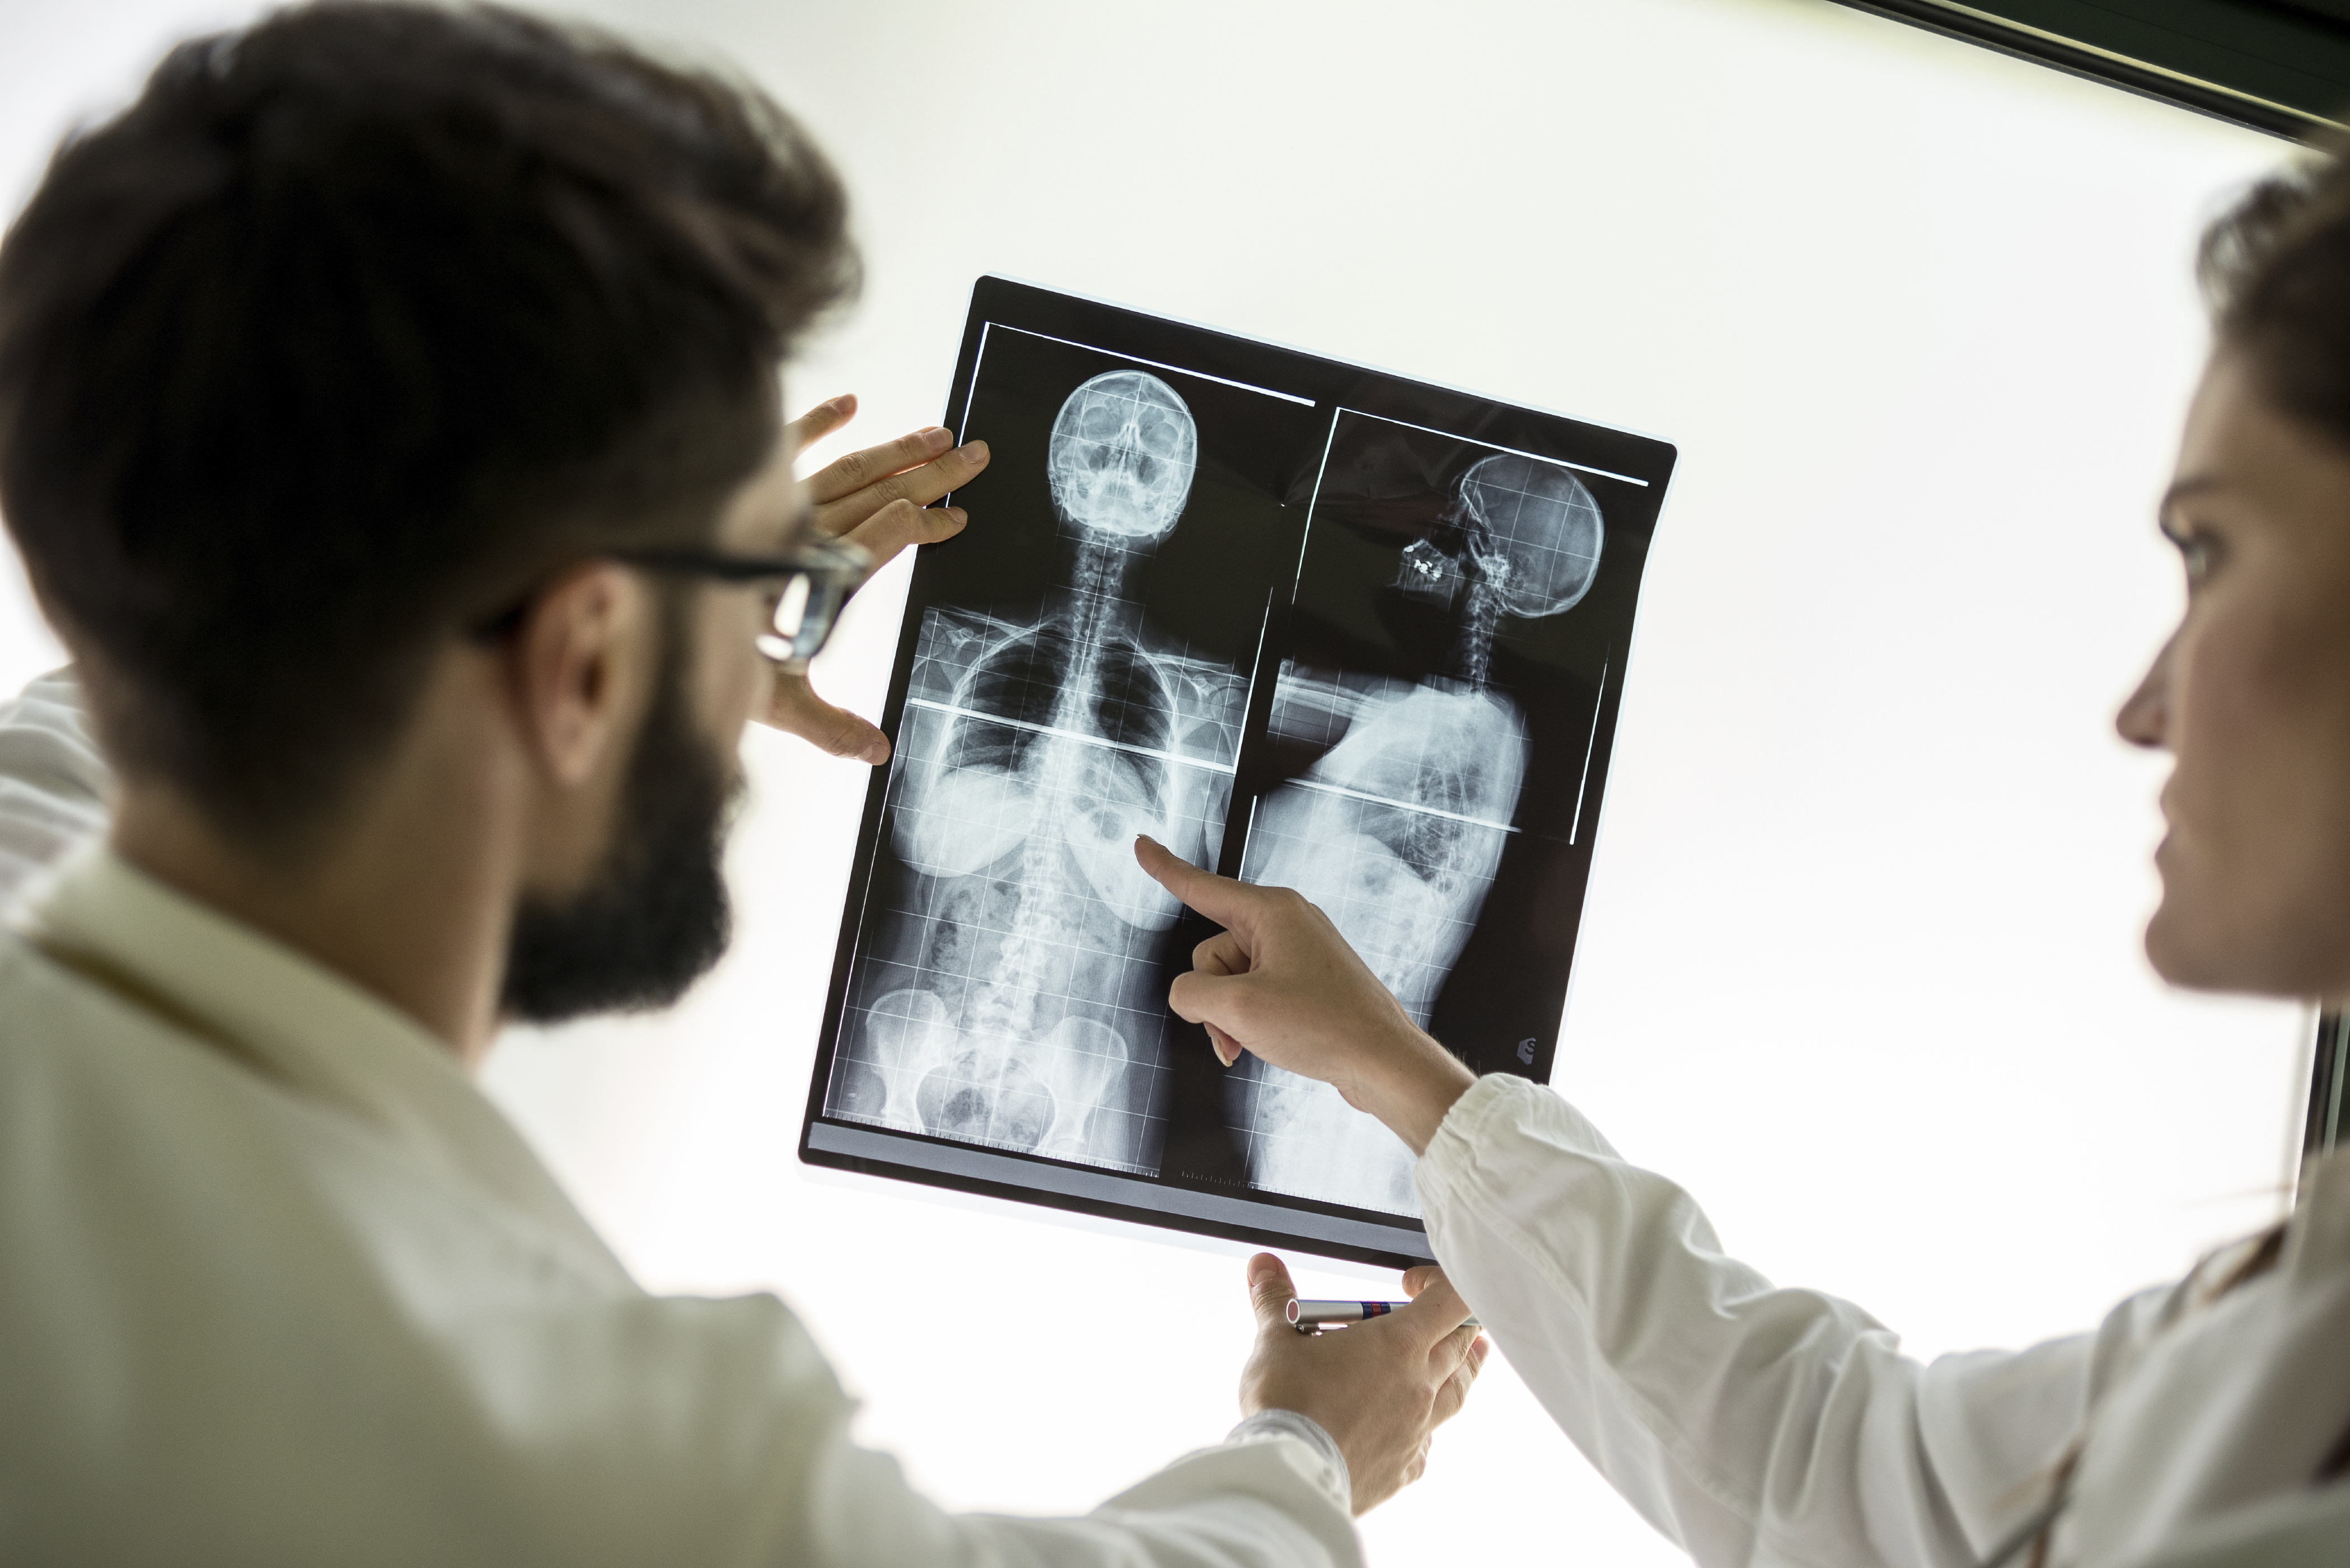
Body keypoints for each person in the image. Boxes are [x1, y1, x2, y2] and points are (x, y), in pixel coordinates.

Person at [0, 4, 1488, 1561]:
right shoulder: (597, 1461)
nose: (777, 642)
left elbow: (146, 681)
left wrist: (660, 620)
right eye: (767, 606)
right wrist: (1307, 1453)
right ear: (576, 665)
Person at [1129, 147, 2350, 1568]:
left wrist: (1290, 1458)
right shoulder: (2280, 1343)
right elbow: (1848, 1475)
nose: (2141, 708)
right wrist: (1400, 1076)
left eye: (2206, 553)